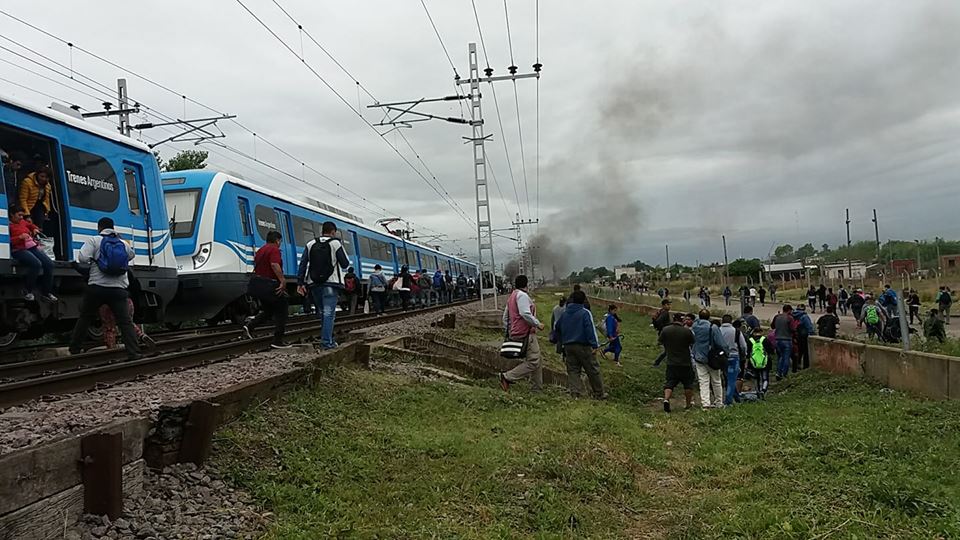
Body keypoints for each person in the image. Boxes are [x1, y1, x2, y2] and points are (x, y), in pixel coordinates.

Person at [68, 217, 141, 360]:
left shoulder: (94, 240)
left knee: (85, 317)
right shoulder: (122, 243)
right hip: (118, 289)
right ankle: (134, 353)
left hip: (97, 287)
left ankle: (75, 349)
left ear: (99, 228)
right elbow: (131, 255)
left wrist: (96, 260)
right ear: (113, 227)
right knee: (125, 321)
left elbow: (83, 258)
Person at [297, 221, 350, 350]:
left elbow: (303, 264)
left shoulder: (310, 244)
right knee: (328, 314)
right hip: (331, 283)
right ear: (333, 232)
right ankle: (327, 343)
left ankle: (328, 339)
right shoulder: (335, 243)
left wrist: (300, 283)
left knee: (322, 313)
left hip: (314, 284)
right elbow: (345, 264)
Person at [241, 231, 292, 348]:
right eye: (280, 241)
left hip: (260, 286)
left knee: (269, 311)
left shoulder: (260, 251)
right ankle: (277, 341)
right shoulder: (274, 250)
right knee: (282, 311)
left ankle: (249, 326)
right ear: (277, 240)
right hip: (271, 285)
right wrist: (282, 280)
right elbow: (274, 264)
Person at [554, 290, 606, 399]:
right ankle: (599, 393)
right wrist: (595, 345)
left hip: (568, 346)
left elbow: (557, 328)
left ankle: (575, 393)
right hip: (583, 346)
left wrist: (561, 341)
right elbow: (589, 330)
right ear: (583, 300)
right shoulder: (584, 313)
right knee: (592, 369)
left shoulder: (565, 314)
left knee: (573, 370)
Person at [499, 275, 544, 392]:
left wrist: (509, 331)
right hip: (527, 333)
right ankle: (507, 376)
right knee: (534, 361)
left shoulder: (512, 297)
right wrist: (537, 324)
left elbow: (505, 318)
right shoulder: (522, 296)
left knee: (538, 359)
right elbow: (525, 313)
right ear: (526, 284)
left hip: (518, 332)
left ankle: (537, 388)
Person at [8, 205, 57, 302]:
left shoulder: (22, 222)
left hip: (31, 247)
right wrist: (19, 238)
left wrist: (34, 228)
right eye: (19, 215)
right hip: (18, 249)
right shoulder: (8, 225)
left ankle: (46, 292)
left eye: (22, 215)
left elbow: (30, 225)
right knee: (36, 264)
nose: (21, 217)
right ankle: (28, 290)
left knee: (49, 264)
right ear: (11, 215)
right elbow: (6, 240)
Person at [100, 270, 154, 350]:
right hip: (126, 299)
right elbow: (135, 285)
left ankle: (111, 349)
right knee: (128, 323)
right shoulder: (126, 269)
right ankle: (140, 335)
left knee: (109, 327)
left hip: (107, 302)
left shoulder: (101, 268)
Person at [659, 313, 696, 412]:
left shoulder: (666, 330)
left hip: (671, 362)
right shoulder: (687, 332)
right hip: (685, 362)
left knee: (670, 382)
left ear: (673, 319)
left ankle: (666, 399)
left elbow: (660, 341)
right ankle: (688, 404)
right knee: (688, 384)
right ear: (682, 321)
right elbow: (692, 342)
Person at [692, 309, 723, 409]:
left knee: (703, 381)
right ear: (709, 317)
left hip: (698, 357)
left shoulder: (695, 326)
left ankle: (705, 403)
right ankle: (718, 402)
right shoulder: (712, 327)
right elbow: (720, 343)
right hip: (712, 358)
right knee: (716, 380)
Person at [719, 314, 747, 406]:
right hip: (734, 356)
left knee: (727, 377)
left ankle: (737, 398)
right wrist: (744, 355)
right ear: (731, 321)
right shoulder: (736, 331)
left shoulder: (718, 331)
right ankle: (728, 401)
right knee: (732, 379)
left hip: (722, 357)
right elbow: (743, 346)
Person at [18, 165, 53, 230]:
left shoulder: (47, 185)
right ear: (37, 175)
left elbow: (46, 200)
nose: (43, 179)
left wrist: (47, 212)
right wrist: (27, 215)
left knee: (39, 226)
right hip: (28, 207)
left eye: (46, 177)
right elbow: (23, 199)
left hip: (39, 207)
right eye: (42, 176)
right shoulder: (27, 182)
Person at [746, 327, 774, 397]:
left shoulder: (750, 340)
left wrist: (746, 363)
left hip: (753, 363)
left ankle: (758, 391)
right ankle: (763, 390)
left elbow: (747, 352)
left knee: (756, 378)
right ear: (761, 332)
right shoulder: (765, 340)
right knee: (765, 378)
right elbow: (771, 350)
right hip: (765, 362)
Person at [771, 305, 795, 380]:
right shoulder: (790, 318)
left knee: (781, 357)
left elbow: (772, 326)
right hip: (787, 339)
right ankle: (784, 374)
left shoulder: (777, 317)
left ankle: (778, 373)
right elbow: (792, 329)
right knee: (786, 357)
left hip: (777, 340)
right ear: (789, 310)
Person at [792, 304, 815, 372]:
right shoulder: (804, 316)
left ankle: (797, 364)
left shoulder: (793, 315)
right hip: (803, 336)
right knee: (805, 352)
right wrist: (812, 333)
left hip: (796, 335)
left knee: (798, 351)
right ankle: (805, 366)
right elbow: (809, 326)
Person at [651, 298, 672, 366]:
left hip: (663, 332)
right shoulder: (665, 313)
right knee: (668, 350)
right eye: (667, 305)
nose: (669, 306)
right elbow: (658, 321)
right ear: (663, 305)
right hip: (665, 333)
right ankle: (657, 363)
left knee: (668, 350)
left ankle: (658, 362)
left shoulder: (661, 311)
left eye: (669, 304)